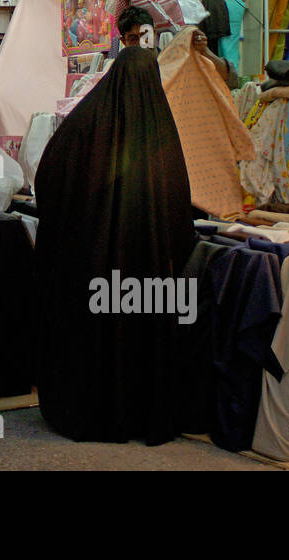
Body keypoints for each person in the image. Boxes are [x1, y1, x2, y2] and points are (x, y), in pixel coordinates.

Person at [33, 45, 195, 444]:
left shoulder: (87, 122)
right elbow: (178, 207)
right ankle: (138, 412)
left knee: (93, 335)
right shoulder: (161, 131)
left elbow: (48, 175)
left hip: (90, 264)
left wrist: (74, 223)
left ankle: (92, 410)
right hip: (146, 274)